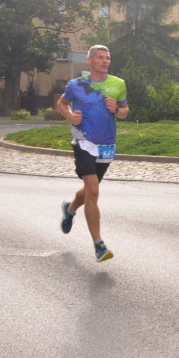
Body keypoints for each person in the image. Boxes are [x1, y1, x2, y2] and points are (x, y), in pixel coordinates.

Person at [57, 45, 128, 262]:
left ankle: (70, 208)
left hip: (106, 144)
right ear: (90, 60)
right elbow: (61, 103)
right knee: (94, 190)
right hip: (83, 142)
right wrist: (70, 116)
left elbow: (125, 112)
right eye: (100, 58)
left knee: (89, 191)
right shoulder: (77, 85)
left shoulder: (118, 84)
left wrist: (117, 109)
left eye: (108, 58)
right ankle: (99, 245)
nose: (105, 61)